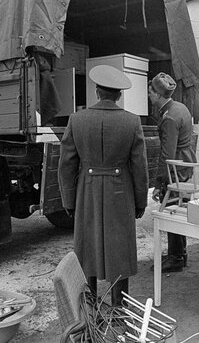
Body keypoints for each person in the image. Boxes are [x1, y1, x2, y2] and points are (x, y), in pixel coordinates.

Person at [58, 64, 148, 306]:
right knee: (119, 247)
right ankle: (120, 308)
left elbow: (66, 164)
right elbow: (140, 167)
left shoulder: (76, 120)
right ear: (118, 95)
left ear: (97, 91)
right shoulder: (132, 122)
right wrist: (141, 201)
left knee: (87, 247)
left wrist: (68, 200)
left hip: (86, 191)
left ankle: (90, 306)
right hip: (120, 193)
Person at [148, 72, 195, 273]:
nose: (149, 95)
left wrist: (159, 184)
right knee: (178, 207)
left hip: (176, 168)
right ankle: (179, 253)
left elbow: (166, 155)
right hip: (185, 164)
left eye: (150, 92)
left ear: (158, 95)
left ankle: (176, 257)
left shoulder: (169, 118)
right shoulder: (180, 108)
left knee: (173, 209)